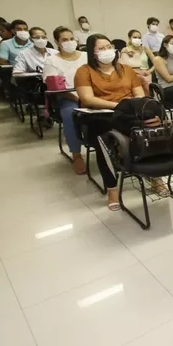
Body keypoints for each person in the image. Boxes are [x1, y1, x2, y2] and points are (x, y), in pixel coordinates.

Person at [75, 34, 152, 210]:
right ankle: (112, 188)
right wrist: (118, 105)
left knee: (150, 126)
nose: (107, 51)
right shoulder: (84, 71)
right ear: (92, 52)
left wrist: (132, 106)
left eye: (109, 46)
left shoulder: (126, 69)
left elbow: (138, 94)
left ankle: (154, 176)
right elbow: (87, 99)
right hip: (101, 115)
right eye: (101, 48)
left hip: (127, 112)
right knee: (104, 138)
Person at [43, 26, 88, 174]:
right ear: (57, 42)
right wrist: (79, 97)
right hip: (67, 96)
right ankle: (76, 154)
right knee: (70, 115)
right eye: (64, 40)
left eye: (71, 39)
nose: (69, 42)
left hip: (90, 93)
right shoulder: (51, 60)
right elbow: (56, 88)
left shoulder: (86, 56)